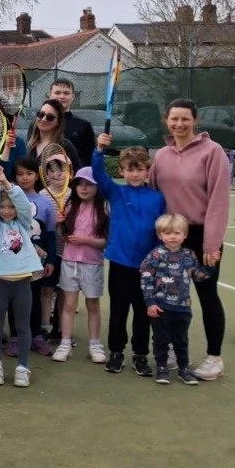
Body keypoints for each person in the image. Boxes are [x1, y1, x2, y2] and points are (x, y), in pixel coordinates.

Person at [148, 99, 231, 381]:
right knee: (166, 297)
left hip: (200, 236)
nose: (179, 124)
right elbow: (152, 194)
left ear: (194, 120)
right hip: (169, 237)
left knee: (207, 296)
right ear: (166, 121)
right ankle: (169, 350)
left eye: (185, 119)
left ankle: (214, 357)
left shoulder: (213, 152)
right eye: (174, 119)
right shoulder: (160, 155)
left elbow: (219, 201)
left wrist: (211, 244)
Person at [92, 135, 165, 376]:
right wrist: (99, 149)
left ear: (147, 171)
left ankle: (141, 354)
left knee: (143, 313)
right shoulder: (116, 193)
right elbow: (99, 175)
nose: (134, 174)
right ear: (122, 171)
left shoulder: (158, 198)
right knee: (119, 310)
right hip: (121, 264)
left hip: (147, 267)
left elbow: (160, 232)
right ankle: (116, 351)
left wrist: (155, 260)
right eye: (129, 169)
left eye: (139, 169)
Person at [0, 165, 43, 387]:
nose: (6, 210)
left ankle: (22, 368)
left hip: (22, 283)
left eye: (10, 207)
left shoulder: (24, 224)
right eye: (3, 207)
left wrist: (7, 184)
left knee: (23, 326)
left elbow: (25, 207)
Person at [141, 213, 211, 385]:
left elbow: (199, 276)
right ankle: (162, 368)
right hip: (160, 307)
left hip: (182, 308)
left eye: (177, 233)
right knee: (161, 340)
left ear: (185, 235)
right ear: (160, 235)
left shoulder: (189, 255)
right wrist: (150, 303)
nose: (172, 236)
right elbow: (146, 277)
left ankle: (184, 369)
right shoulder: (156, 255)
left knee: (181, 340)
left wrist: (210, 265)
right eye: (168, 233)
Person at [52, 166, 109, 363]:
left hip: (93, 264)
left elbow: (106, 242)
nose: (84, 188)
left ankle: (95, 344)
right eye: (80, 184)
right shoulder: (69, 207)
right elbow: (63, 236)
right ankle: (65, 343)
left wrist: (86, 241)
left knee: (93, 304)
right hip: (69, 262)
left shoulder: (104, 209)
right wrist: (60, 224)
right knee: (68, 304)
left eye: (89, 184)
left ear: (97, 187)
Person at [13, 156, 58, 356]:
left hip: (36, 262)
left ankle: (36, 337)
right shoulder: (9, 198)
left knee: (34, 299)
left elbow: (50, 235)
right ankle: (15, 337)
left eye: (29, 173)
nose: (25, 178)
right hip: (12, 261)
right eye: (20, 174)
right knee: (14, 300)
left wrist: (50, 260)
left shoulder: (45, 203)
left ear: (37, 175)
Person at [49, 78, 95, 169]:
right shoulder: (40, 123)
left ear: (73, 96)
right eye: (57, 93)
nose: (62, 96)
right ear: (50, 95)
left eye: (66, 93)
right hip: (47, 178)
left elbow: (90, 157)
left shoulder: (84, 125)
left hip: (76, 178)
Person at [26, 98, 81, 169]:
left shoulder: (65, 146)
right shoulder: (31, 146)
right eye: (41, 114)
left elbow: (78, 175)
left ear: (58, 122)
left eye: (50, 117)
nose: (43, 119)